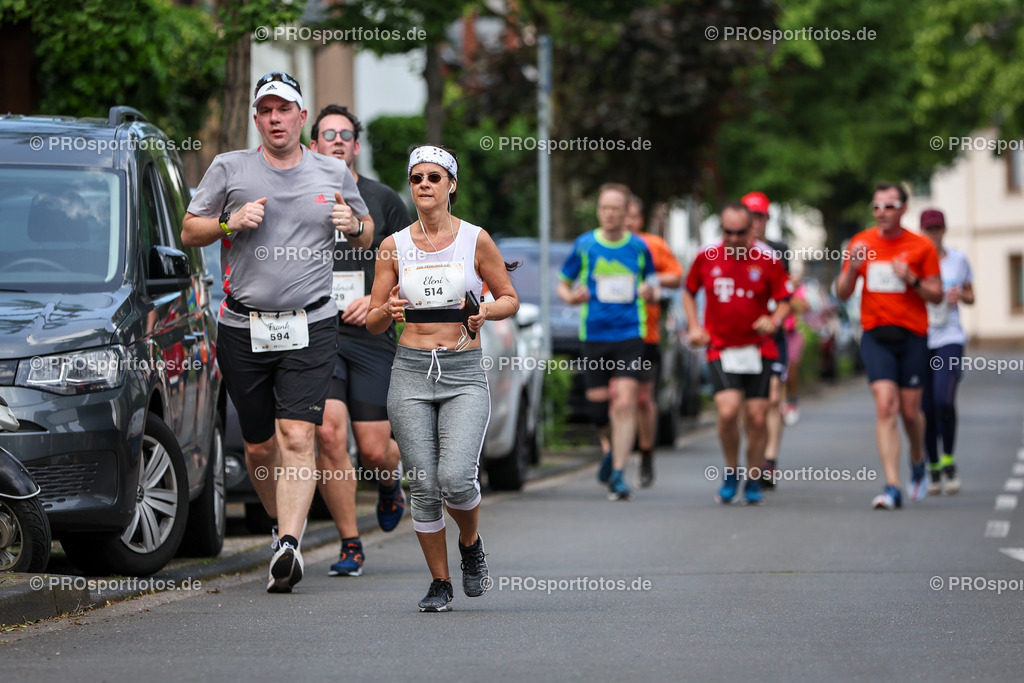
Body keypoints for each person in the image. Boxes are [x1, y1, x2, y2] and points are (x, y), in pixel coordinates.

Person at [183, 72, 373, 593]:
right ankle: (278, 528)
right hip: (243, 327)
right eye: (266, 110)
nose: (275, 119)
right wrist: (229, 222)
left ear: (301, 116)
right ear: (256, 119)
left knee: (298, 435)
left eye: (284, 109)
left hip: (311, 323)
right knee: (260, 448)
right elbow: (189, 230)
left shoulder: (333, 170)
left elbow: (366, 232)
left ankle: (289, 544)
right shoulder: (230, 168)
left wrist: (352, 225)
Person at [367, 145, 519, 612]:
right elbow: (372, 319)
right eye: (417, 178)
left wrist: (485, 310)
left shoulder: (475, 239)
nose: (425, 185)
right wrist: (388, 310)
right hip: (411, 371)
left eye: (434, 177)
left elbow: (509, 297)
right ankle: (440, 582)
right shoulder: (393, 245)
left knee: (455, 477)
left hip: (462, 370)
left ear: (451, 184)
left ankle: (470, 543)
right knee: (423, 484)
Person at [308, 105, 413, 577]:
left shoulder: (382, 199)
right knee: (329, 433)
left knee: (373, 450)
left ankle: (389, 484)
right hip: (318, 333)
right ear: (314, 144)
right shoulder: (301, 193)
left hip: (370, 335)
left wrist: (377, 300)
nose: (337, 141)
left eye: (345, 134)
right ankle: (350, 543)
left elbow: (412, 265)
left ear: (356, 145)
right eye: (327, 134)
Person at [835, 182, 942, 510]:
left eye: (889, 206)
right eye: (877, 206)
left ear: (904, 209)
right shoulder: (861, 243)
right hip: (876, 335)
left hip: (912, 336)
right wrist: (853, 269)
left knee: (910, 411)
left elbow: (937, 295)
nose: (882, 213)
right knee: (885, 406)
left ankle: (918, 458)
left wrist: (912, 279)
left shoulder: (921, 246)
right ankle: (892, 486)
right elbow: (842, 292)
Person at [683, 202, 792, 505]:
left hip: (759, 348)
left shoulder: (768, 258)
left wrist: (774, 320)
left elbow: (785, 298)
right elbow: (688, 292)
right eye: (727, 232)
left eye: (739, 233)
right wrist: (694, 326)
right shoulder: (706, 256)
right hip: (721, 347)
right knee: (728, 411)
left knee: (757, 417)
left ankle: (754, 476)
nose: (733, 239)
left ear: (752, 229)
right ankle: (732, 470)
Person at [558, 183, 656, 501]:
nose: (609, 213)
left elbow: (653, 281)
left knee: (625, 402)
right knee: (599, 411)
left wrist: (650, 291)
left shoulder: (638, 247)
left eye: (615, 208)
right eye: (604, 208)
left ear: (626, 212)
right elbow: (563, 283)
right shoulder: (585, 244)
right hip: (594, 334)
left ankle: (619, 473)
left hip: (630, 333)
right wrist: (571, 298)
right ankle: (613, 448)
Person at [625, 194, 683, 487]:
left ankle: (646, 452)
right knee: (615, 398)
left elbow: (677, 277)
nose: (627, 221)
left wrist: (652, 281)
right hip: (608, 333)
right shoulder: (599, 245)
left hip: (645, 334)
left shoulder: (653, 245)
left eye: (632, 215)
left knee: (643, 398)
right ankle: (615, 457)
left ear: (640, 219)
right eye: (623, 214)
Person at [919, 208, 974, 495]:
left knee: (943, 399)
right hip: (921, 338)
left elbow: (971, 296)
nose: (933, 234)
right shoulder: (914, 262)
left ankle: (949, 460)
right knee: (925, 408)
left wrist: (959, 295)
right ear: (921, 232)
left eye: (937, 229)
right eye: (928, 229)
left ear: (944, 230)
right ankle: (933, 466)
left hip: (949, 337)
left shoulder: (957, 260)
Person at [741, 191, 790, 488]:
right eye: (751, 217)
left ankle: (769, 461)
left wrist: (776, 318)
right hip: (743, 339)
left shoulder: (779, 250)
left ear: (767, 219)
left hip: (773, 336)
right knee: (750, 406)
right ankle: (754, 457)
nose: (755, 223)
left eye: (760, 217)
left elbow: (785, 293)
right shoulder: (733, 250)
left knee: (773, 398)